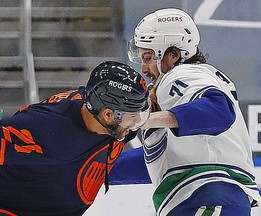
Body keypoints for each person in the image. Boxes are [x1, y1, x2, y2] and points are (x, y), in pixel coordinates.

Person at [123, 8, 261, 216]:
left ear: (173, 55)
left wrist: (144, 120)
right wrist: (97, 169)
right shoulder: (188, 86)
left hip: (207, 195)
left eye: (149, 57)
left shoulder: (182, 74)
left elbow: (219, 111)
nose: (143, 69)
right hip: (201, 198)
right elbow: (163, 162)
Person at [0, 61, 150, 216]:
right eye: (133, 115)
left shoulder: (105, 116)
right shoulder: (48, 128)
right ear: (108, 115)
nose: (137, 121)